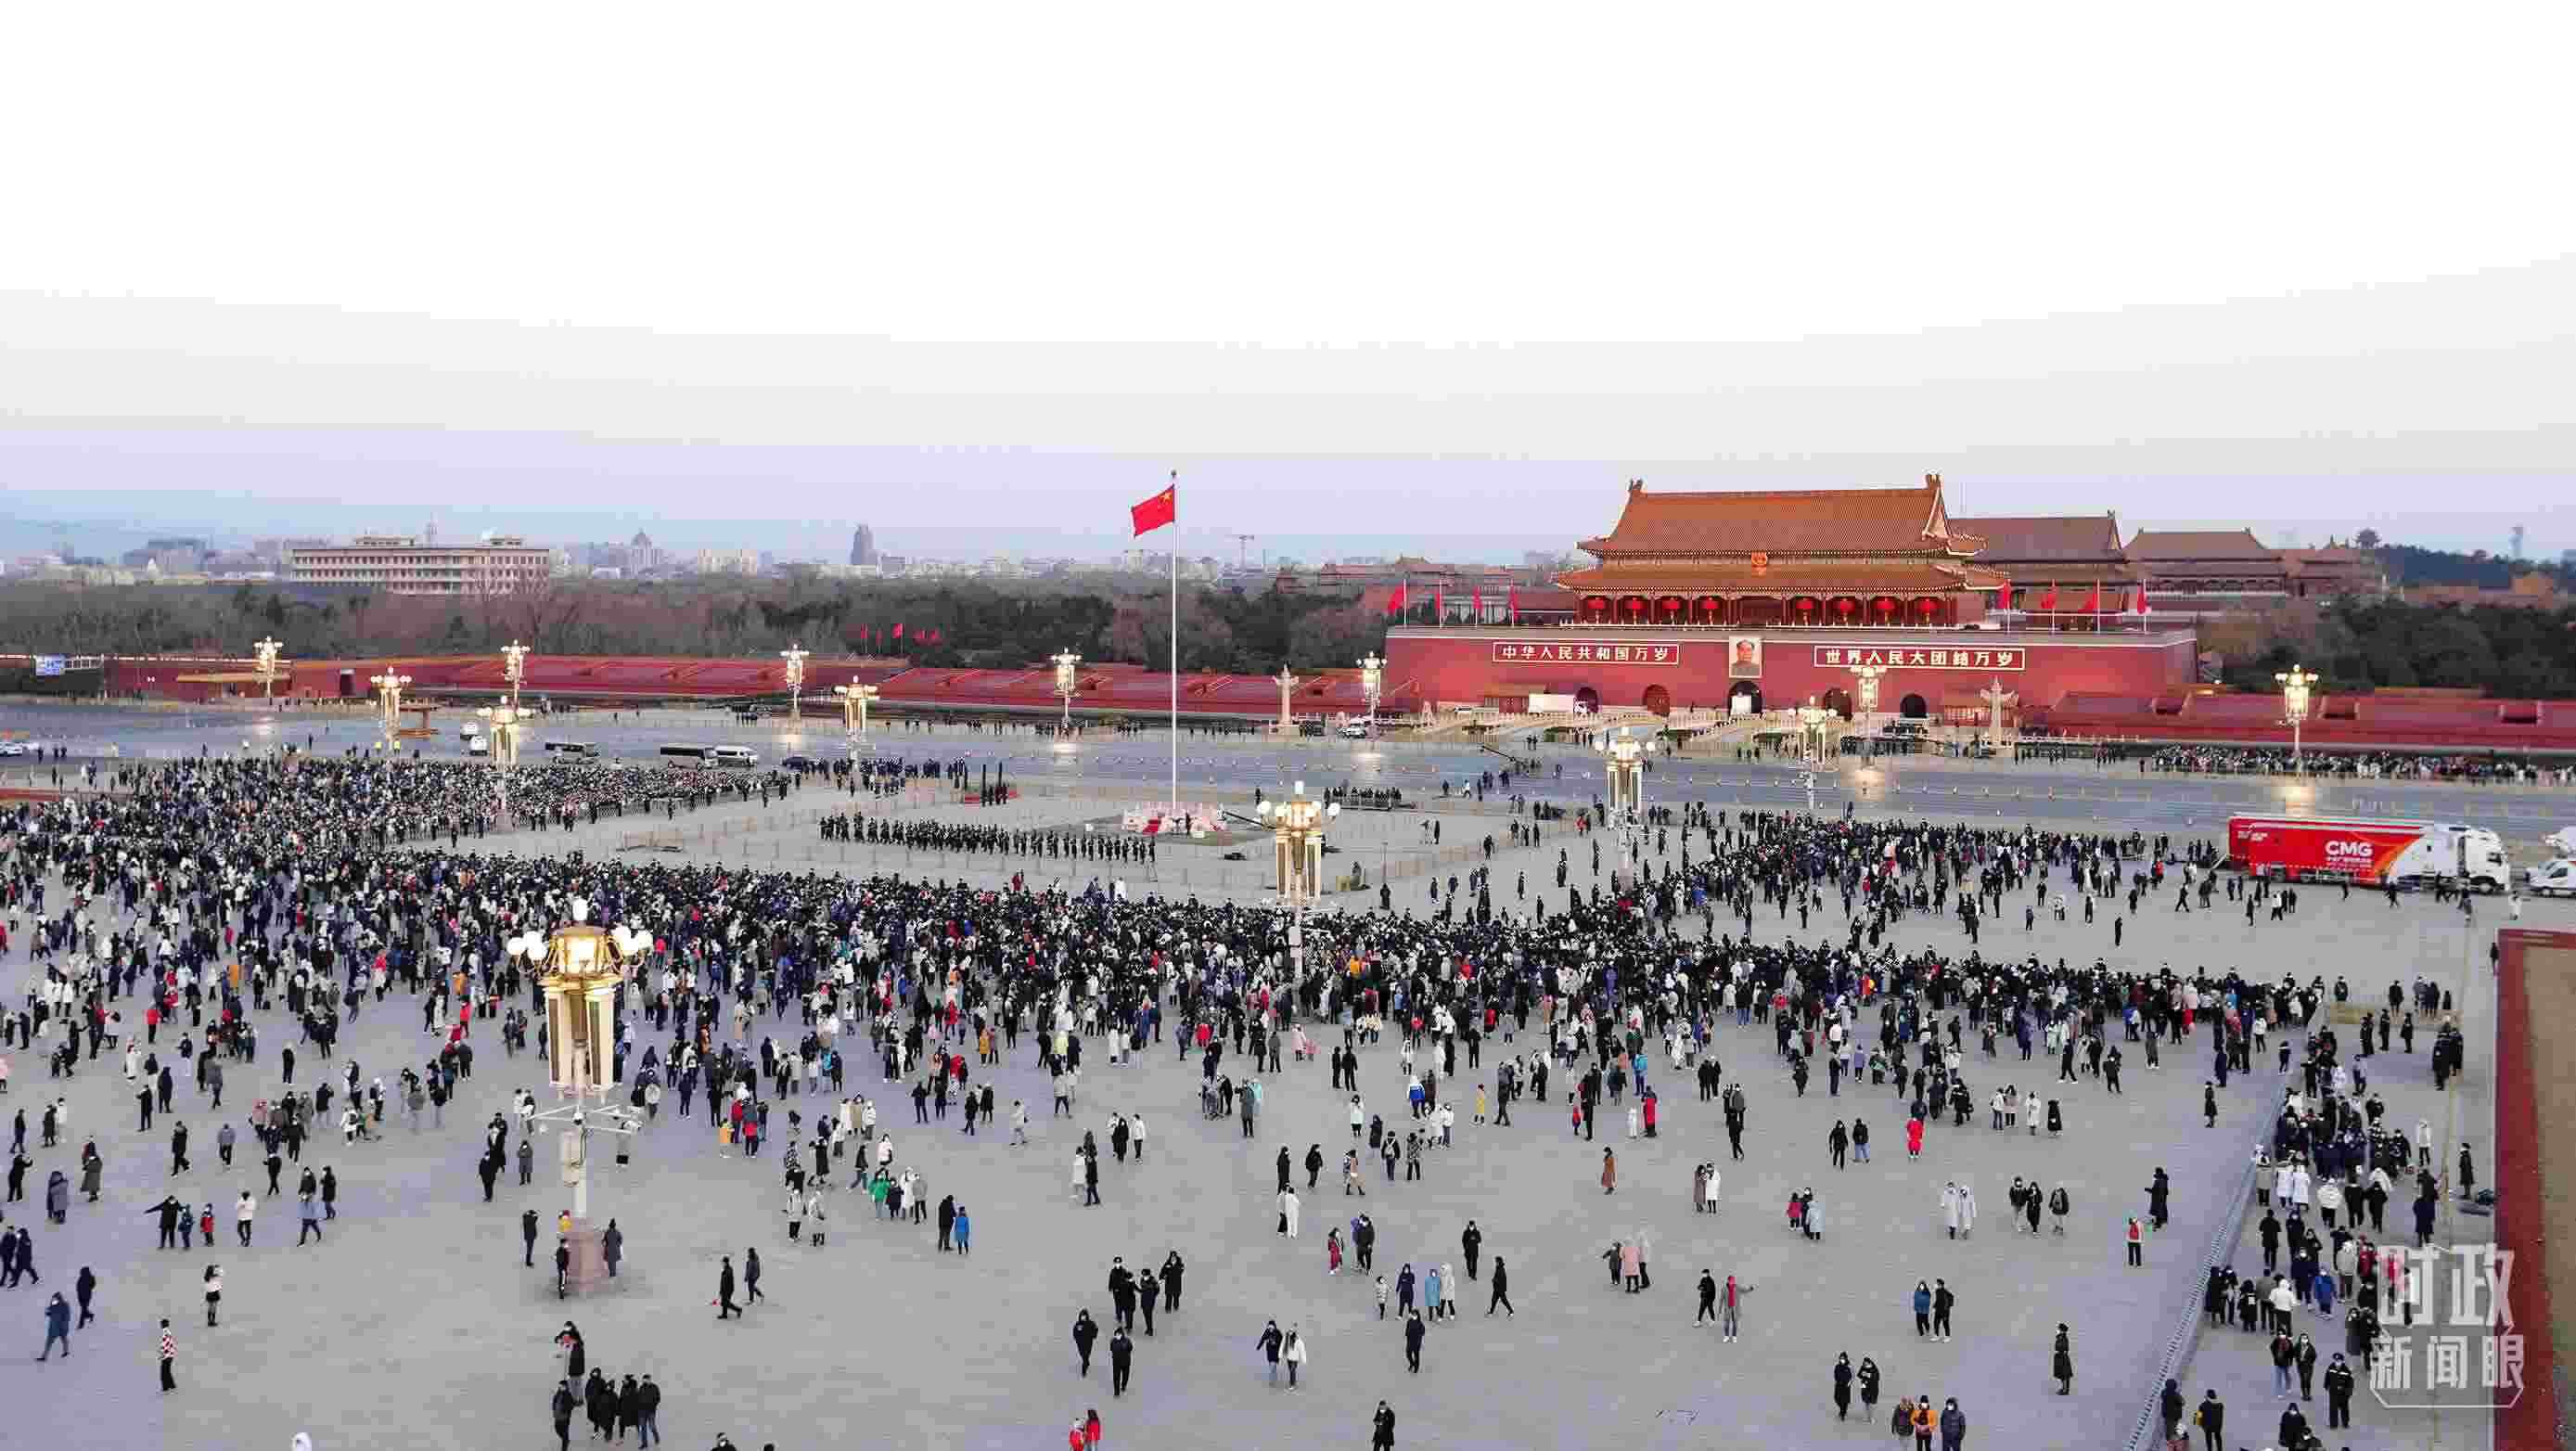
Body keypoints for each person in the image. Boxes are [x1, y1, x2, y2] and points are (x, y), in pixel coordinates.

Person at [39, 1291, 71, 1360]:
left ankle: (66, 1351)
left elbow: (67, 1317)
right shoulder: (53, 1305)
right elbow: (48, 1312)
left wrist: (64, 1324)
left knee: (63, 1339)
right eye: (54, 1298)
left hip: (61, 1327)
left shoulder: (65, 1305)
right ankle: (44, 1356)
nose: (54, 1300)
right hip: (54, 1327)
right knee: (50, 1342)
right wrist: (48, 1313)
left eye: (55, 1298)